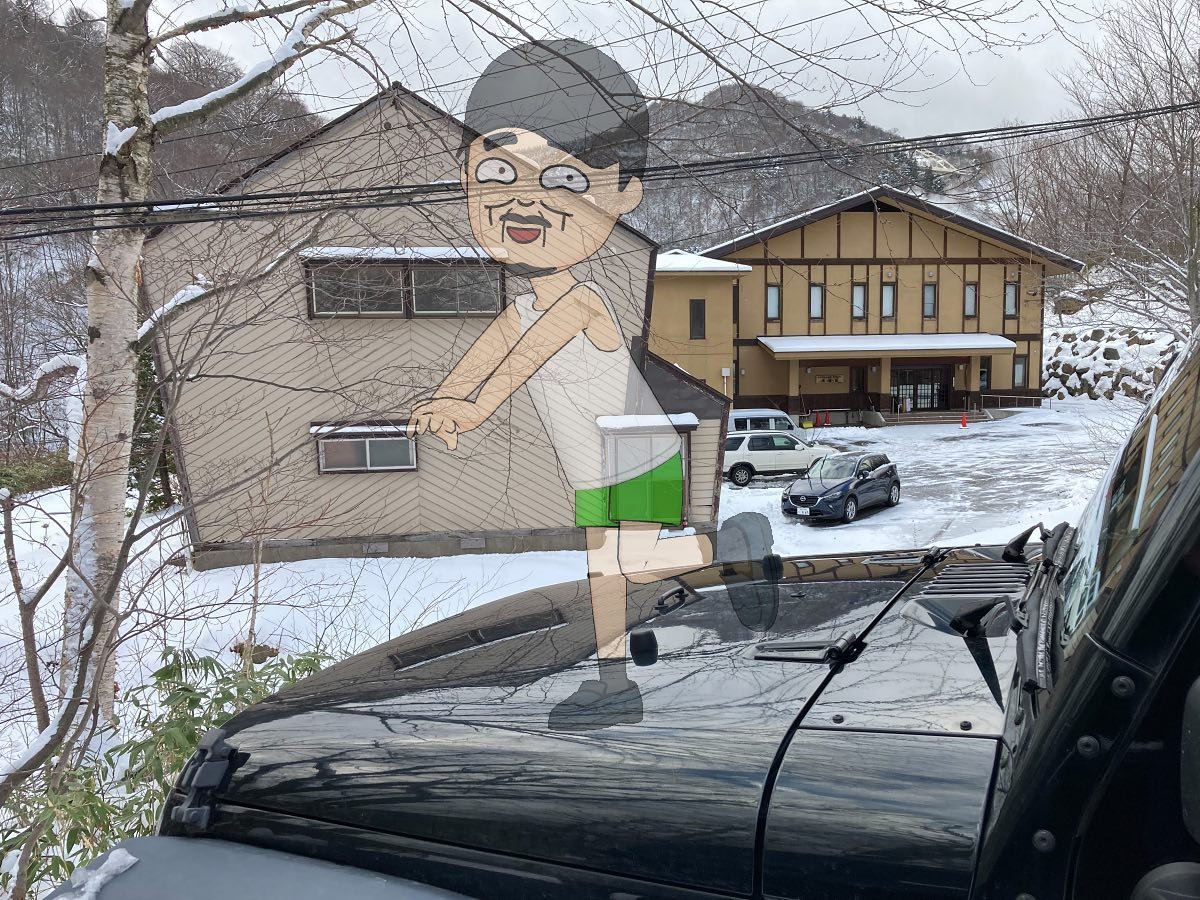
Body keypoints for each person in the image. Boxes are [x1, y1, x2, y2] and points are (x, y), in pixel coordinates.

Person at [407, 39, 775, 730]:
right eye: (497, 171)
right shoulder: (523, 304)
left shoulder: (580, 300)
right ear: (465, 178)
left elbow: (519, 364)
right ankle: (613, 682)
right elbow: (486, 354)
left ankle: (726, 548)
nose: (524, 201)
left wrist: (472, 411)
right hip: (592, 458)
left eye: (566, 181)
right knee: (604, 572)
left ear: (623, 195)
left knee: (629, 564)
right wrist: (445, 398)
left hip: (634, 448)